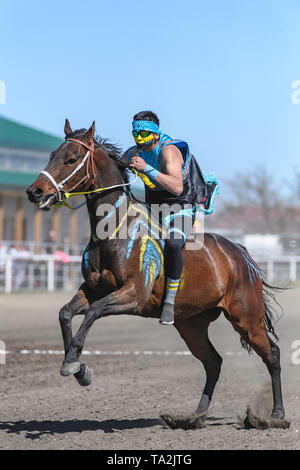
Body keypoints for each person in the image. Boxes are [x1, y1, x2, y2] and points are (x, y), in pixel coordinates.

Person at [123, 111, 219, 325]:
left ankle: (169, 301)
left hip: (181, 209)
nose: (139, 138)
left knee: (174, 243)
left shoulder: (169, 151)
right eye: (135, 133)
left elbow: (176, 187)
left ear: (156, 134)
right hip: (153, 209)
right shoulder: (133, 152)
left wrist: (146, 168)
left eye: (144, 133)